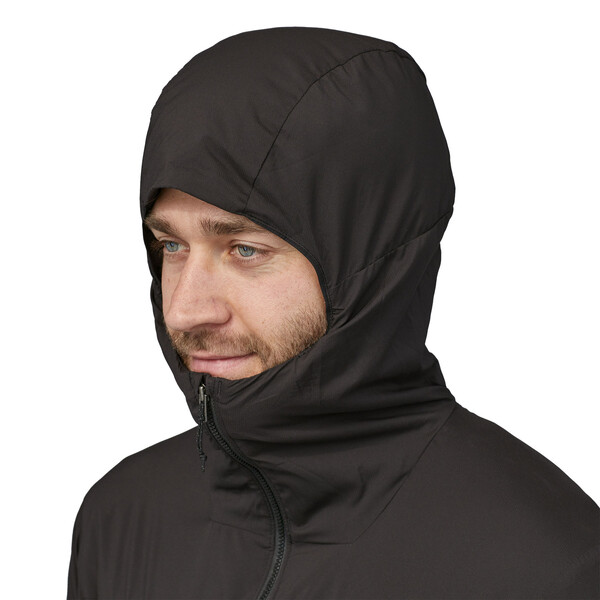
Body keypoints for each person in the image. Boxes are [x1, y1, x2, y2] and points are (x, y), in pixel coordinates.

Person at [67, 27, 599, 599]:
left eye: (245, 250)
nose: (183, 310)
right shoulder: (121, 516)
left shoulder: (547, 566)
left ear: (372, 263)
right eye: (172, 245)